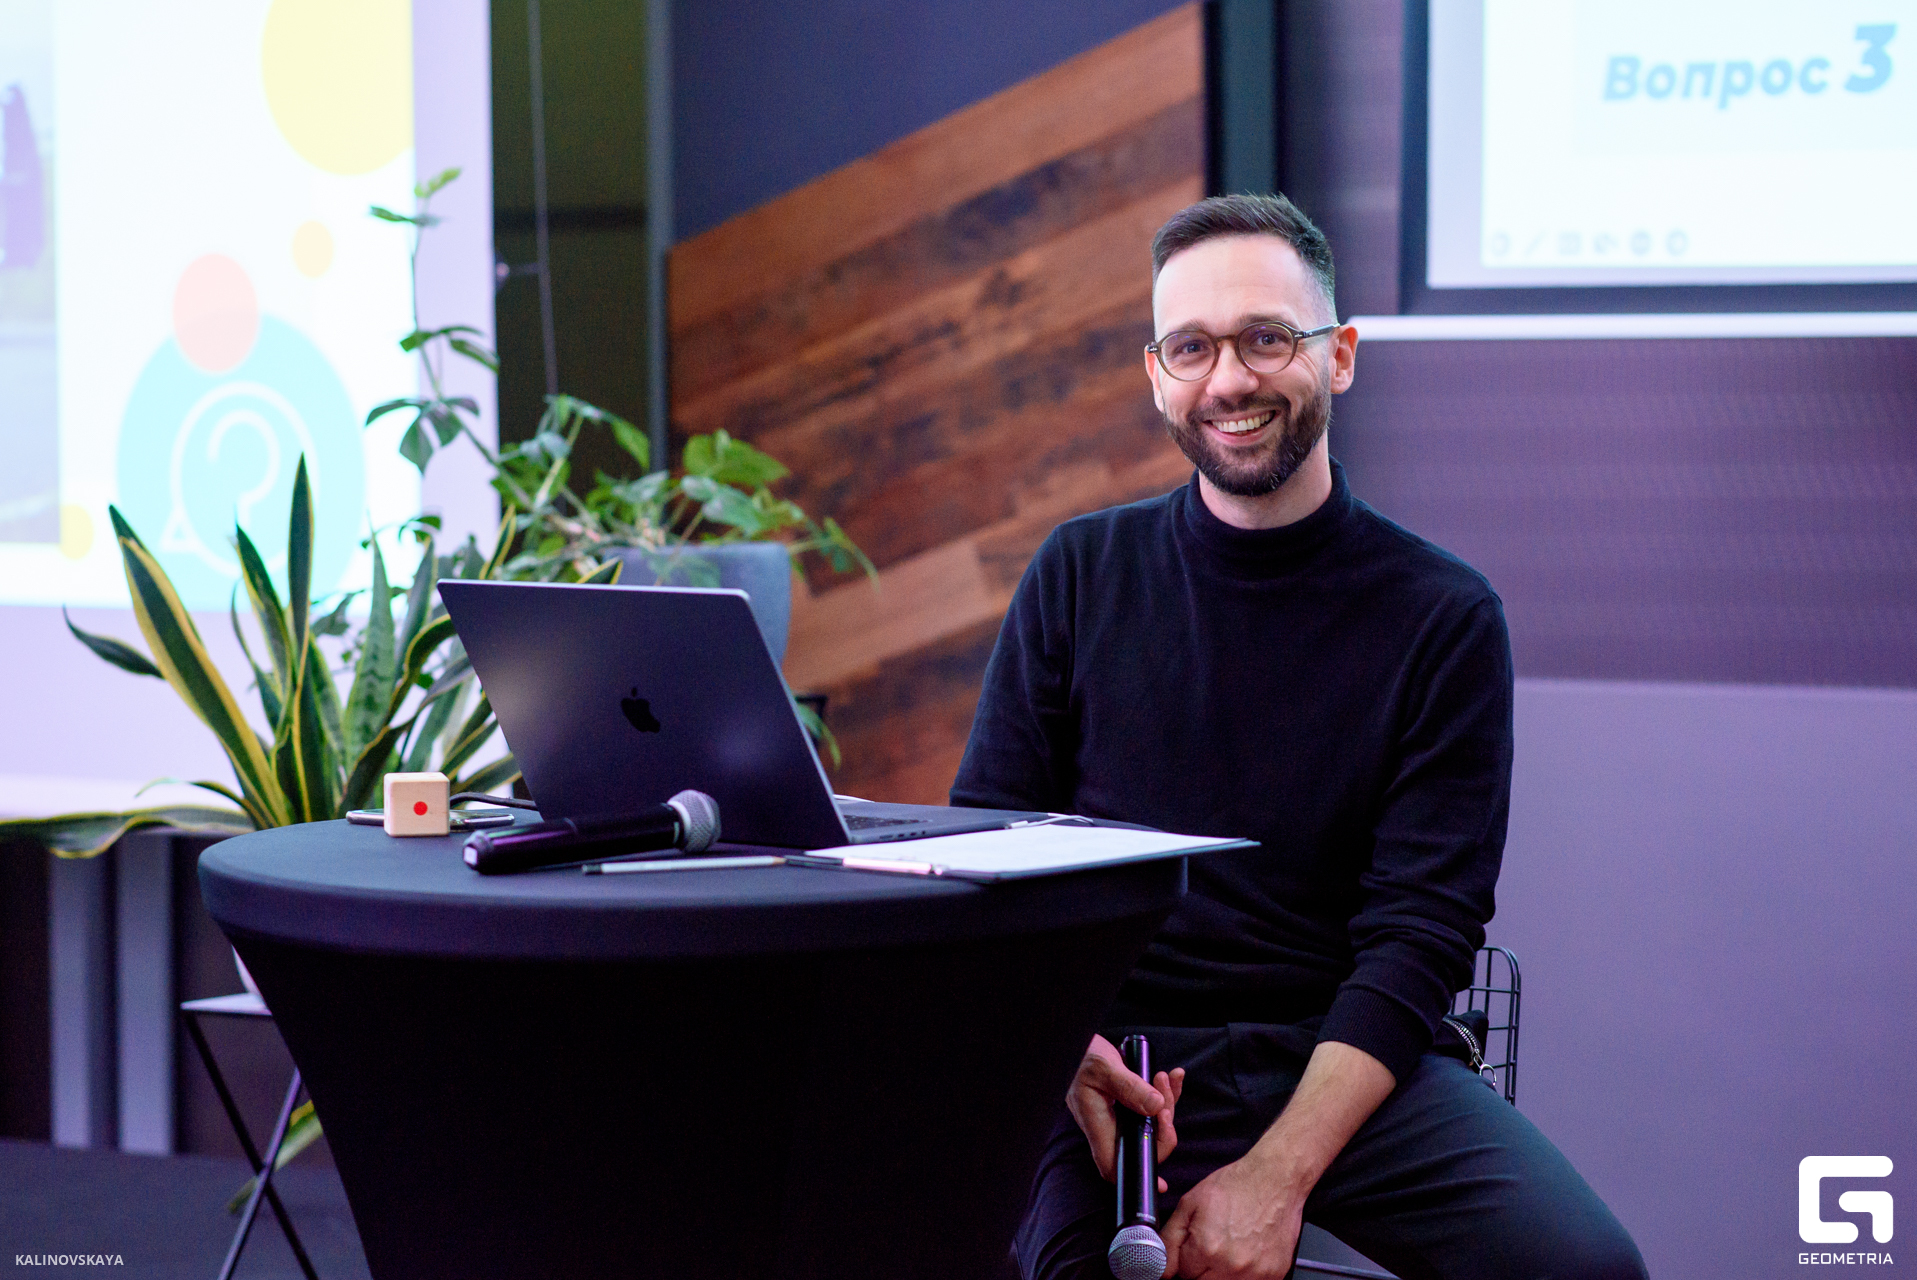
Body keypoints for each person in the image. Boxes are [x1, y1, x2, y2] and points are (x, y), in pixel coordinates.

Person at [951, 194, 1647, 1280]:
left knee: (1585, 1270)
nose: (1229, 380)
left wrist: (1275, 1175)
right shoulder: (1079, 574)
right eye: (1192, 347)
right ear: (1157, 376)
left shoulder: (1442, 615)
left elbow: (1421, 928)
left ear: (1340, 356)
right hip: (1111, 1060)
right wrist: (1066, 1051)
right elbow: (990, 855)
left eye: (1267, 338)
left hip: (1339, 1059)